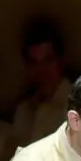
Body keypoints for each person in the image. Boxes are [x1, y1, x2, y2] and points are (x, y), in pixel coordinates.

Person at [10, 18, 73, 149]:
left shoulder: (80, 108)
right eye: (34, 62)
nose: (41, 70)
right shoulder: (23, 111)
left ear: (61, 61)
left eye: (47, 60)